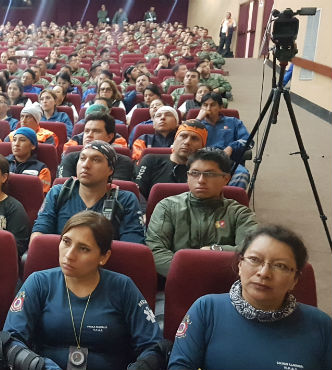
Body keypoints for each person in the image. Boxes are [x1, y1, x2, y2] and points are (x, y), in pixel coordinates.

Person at [0, 211, 165, 370]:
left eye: (83, 248)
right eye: (66, 242)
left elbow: (153, 347)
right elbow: (10, 340)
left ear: (103, 257)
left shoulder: (123, 287)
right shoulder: (39, 282)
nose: (69, 255)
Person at [169, 224, 332, 369]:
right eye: (254, 259)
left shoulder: (321, 325)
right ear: (240, 265)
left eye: (280, 266)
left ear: (295, 279)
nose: (264, 273)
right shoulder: (207, 309)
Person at [146, 148, 257, 277]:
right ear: (187, 176)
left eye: (210, 174)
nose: (201, 180)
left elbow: (252, 250)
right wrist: (195, 271)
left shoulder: (239, 213)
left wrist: (216, 250)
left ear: (226, 179)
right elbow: (155, 251)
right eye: (194, 173)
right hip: (175, 281)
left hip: (224, 284)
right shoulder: (167, 207)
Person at [32, 141, 145, 244]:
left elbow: (132, 247)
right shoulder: (59, 192)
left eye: (96, 160)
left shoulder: (126, 200)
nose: (86, 165)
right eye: (82, 158)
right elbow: (39, 235)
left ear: (110, 170)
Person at [135, 120, 207, 199]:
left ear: (202, 146)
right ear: (175, 139)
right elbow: (137, 192)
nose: (187, 142)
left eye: (194, 138)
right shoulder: (151, 160)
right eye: (183, 136)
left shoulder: (205, 170)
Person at [58, 112, 135, 181]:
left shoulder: (122, 162)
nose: (89, 135)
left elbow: (114, 191)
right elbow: (63, 190)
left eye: (96, 131)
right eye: (87, 131)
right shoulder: (70, 158)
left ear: (109, 137)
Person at [196, 92, 250, 187]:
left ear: (221, 107)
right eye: (205, 105)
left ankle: (229, 200)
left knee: (242, 174)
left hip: (226, 161)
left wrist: (231, 147)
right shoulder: (197, 124)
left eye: (212, 105)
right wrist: (198, 120)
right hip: (202, 161)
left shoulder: (233, 122)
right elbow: (184, 140)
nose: (208, 109)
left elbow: (248, 141)